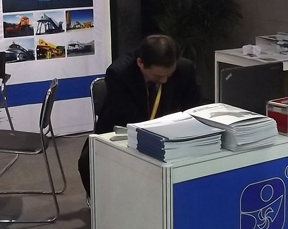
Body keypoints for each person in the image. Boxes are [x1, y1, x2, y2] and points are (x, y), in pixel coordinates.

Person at [78, 34, 201, 197]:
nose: (164, 81)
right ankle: (99, 203)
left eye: (169, 75)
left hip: (168, 131)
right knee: (87, 161)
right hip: (123, 128)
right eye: (158, 76)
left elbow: (193, 109)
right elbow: (127, 114)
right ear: (140, 63)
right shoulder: (119, 73)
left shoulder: (185, 69)